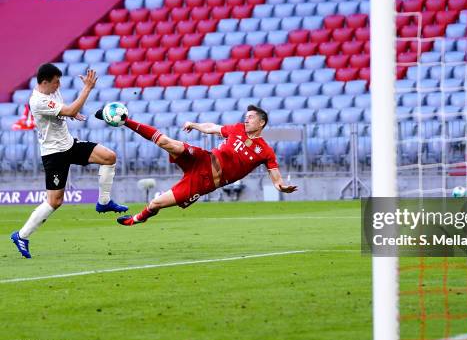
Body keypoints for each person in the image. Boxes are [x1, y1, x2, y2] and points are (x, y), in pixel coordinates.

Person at [94, 104, 297, 225]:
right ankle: (125, 120)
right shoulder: (237, 129)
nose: (246, 119)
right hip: (204, 158)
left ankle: (137, 219)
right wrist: (195, 125)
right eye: (246, 116)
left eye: (251, 117)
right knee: (167, 143)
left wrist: (283, 188)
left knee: (156, 204)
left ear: (261, 123)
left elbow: (276, 179)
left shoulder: (266, 151)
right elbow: (212, 128)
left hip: (205, 181)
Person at [10, 63, 128, 259]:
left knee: (109, 157)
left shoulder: (52, 91)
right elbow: (70, 109)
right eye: (56, 82)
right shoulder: (38, 100)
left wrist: (70, 113)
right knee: (55, 202)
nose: (59, 85)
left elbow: (67, 110)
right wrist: (87, 89)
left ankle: (104, 202)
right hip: (54, 154)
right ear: (45, 82)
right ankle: (21, 236)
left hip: (69, 145)